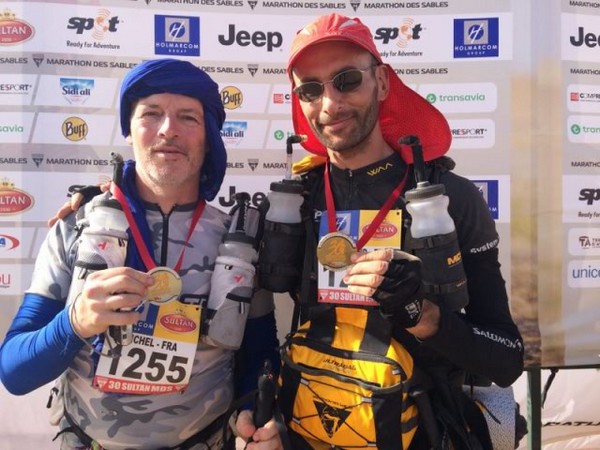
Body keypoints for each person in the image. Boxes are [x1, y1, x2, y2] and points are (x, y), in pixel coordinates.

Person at [262, 13, 525, 449]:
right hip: (309, 428)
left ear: (382, 82)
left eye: (347, 80)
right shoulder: (297, 200)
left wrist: (423, 315)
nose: (329, 104)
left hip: (424, 432)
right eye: (310, 89)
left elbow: (506, 358)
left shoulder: (450, 198)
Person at [0, 58, 283, 450]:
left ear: (209, 137)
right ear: (129, 130)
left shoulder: (240, 243)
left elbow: (260, 354)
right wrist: (75, 323)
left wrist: (254, 413)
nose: (168, 129)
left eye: (188, 117)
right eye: (151, 114)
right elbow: (14, 371)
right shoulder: (77, 229)